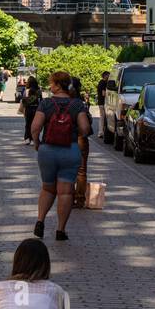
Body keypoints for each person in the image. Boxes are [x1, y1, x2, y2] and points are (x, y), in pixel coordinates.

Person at [30, 71, 91, 242]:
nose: (50, 86)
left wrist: (37, 143)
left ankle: (40, 220)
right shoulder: (77, 104)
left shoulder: (46, 103)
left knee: (47, 188)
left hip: (47, 151)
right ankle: (60, 230)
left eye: (51, 83)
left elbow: (35, 128)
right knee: (65, 192)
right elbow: (85, 129)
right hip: (69, 150)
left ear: (57, 85)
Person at [68, 76, 93, 209]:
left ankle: (69, 198)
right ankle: (80, 199)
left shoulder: (65, 102)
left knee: (68, 170)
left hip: (68, 138)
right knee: (81, 171)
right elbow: (87, 124)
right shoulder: (82, 103)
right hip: (81, 138)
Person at [21, 76, 41, 145]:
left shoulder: (26, 90)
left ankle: (27, 138)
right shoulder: (39, 91)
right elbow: (40, 101)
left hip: (28, 109)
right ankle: (33, 139)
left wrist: (23, 110)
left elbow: (23, 101)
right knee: (35, 124)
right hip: (36, 109)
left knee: (28, 124)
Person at [95, 70, 110, 138]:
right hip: (103, 103)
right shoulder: (103, 83)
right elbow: (103, 93)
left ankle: (101, 132)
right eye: (108, 75)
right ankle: (101, 132)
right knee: (102, 117)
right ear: (105, 76)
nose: (109, 77)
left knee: (102, 117)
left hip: (101, 102)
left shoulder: (100, 82)